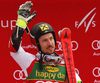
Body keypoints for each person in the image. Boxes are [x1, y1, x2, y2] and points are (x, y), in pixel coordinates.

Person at [9, 1, 82, 83]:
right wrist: (21, 22)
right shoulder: (30, 61)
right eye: (45, 40)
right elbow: (14, 48)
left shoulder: (65, 65)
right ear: (36, 44)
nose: (50, 43)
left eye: (51, 39)